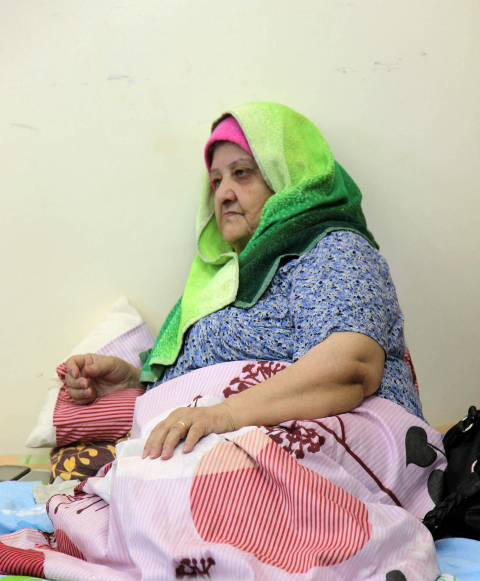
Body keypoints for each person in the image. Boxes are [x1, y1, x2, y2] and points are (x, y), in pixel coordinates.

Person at [66, 102, 422, 462]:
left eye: (242, 173)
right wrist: (134, 382)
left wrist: (223, 415)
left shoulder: (333, 248)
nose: (222, 194)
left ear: (290, 176)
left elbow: (350, 367)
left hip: (338, 453)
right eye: (216, 181)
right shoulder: (222, 285)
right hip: (230, 451)